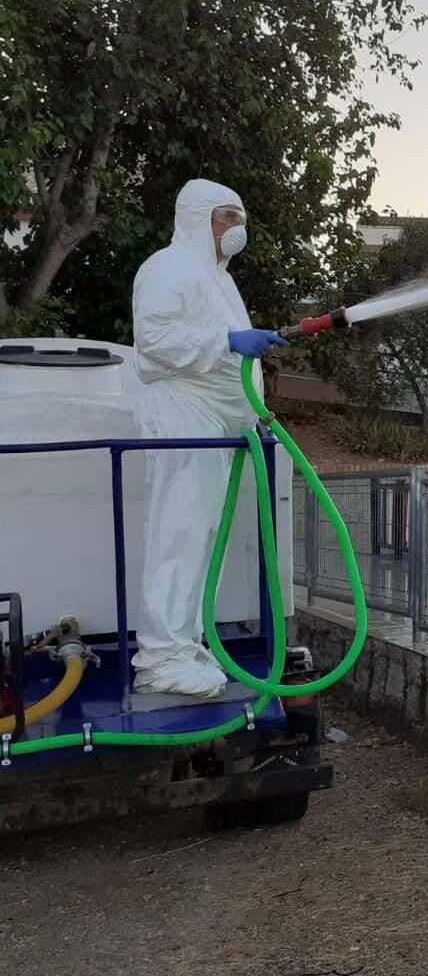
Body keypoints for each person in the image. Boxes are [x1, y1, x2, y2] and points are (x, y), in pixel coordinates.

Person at [130, 179, 286, 697]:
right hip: (182, 415)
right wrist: (227, 340)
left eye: (240, 218)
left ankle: (185, 641)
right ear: (197, 218)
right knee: (179, 531)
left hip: (214, 424)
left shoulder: (218, 280)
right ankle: (160, 657)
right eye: (227, 217)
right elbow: (154, 342)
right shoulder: (167, 268)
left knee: (201, 537)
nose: (237, 228)